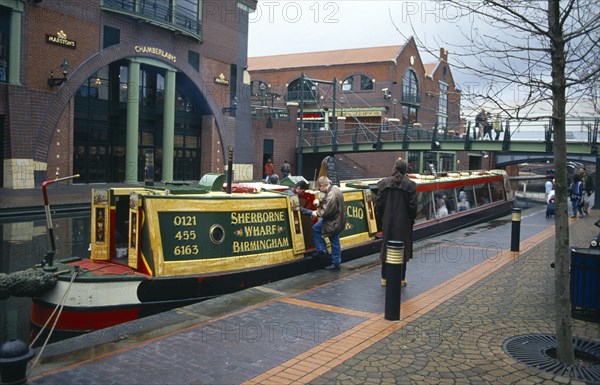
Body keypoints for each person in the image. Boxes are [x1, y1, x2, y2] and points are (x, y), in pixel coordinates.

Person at [375, 158, 417, 287]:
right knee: (402, 249)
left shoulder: (383, 184)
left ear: (394, 168)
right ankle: (401, 278)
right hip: (403, 224)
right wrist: (411, 220)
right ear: (405, 170)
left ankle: (384, 278)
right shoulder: (410, 185)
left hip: (387, 222)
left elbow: (378, 206)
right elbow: (413, 207)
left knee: (386, 247)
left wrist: (382, 219)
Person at [311, 176, 346, 270]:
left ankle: (335, 263)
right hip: (336, 219)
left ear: (323, 185)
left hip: (333, 222)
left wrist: (316, 213)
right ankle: (322, 250)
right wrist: (320, 201)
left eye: (319, 187)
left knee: (334, 241)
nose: (319, 189)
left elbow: (325, 211)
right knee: (316, 228)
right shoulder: (334, 189)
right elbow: (328, 202)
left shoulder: (331, 194)